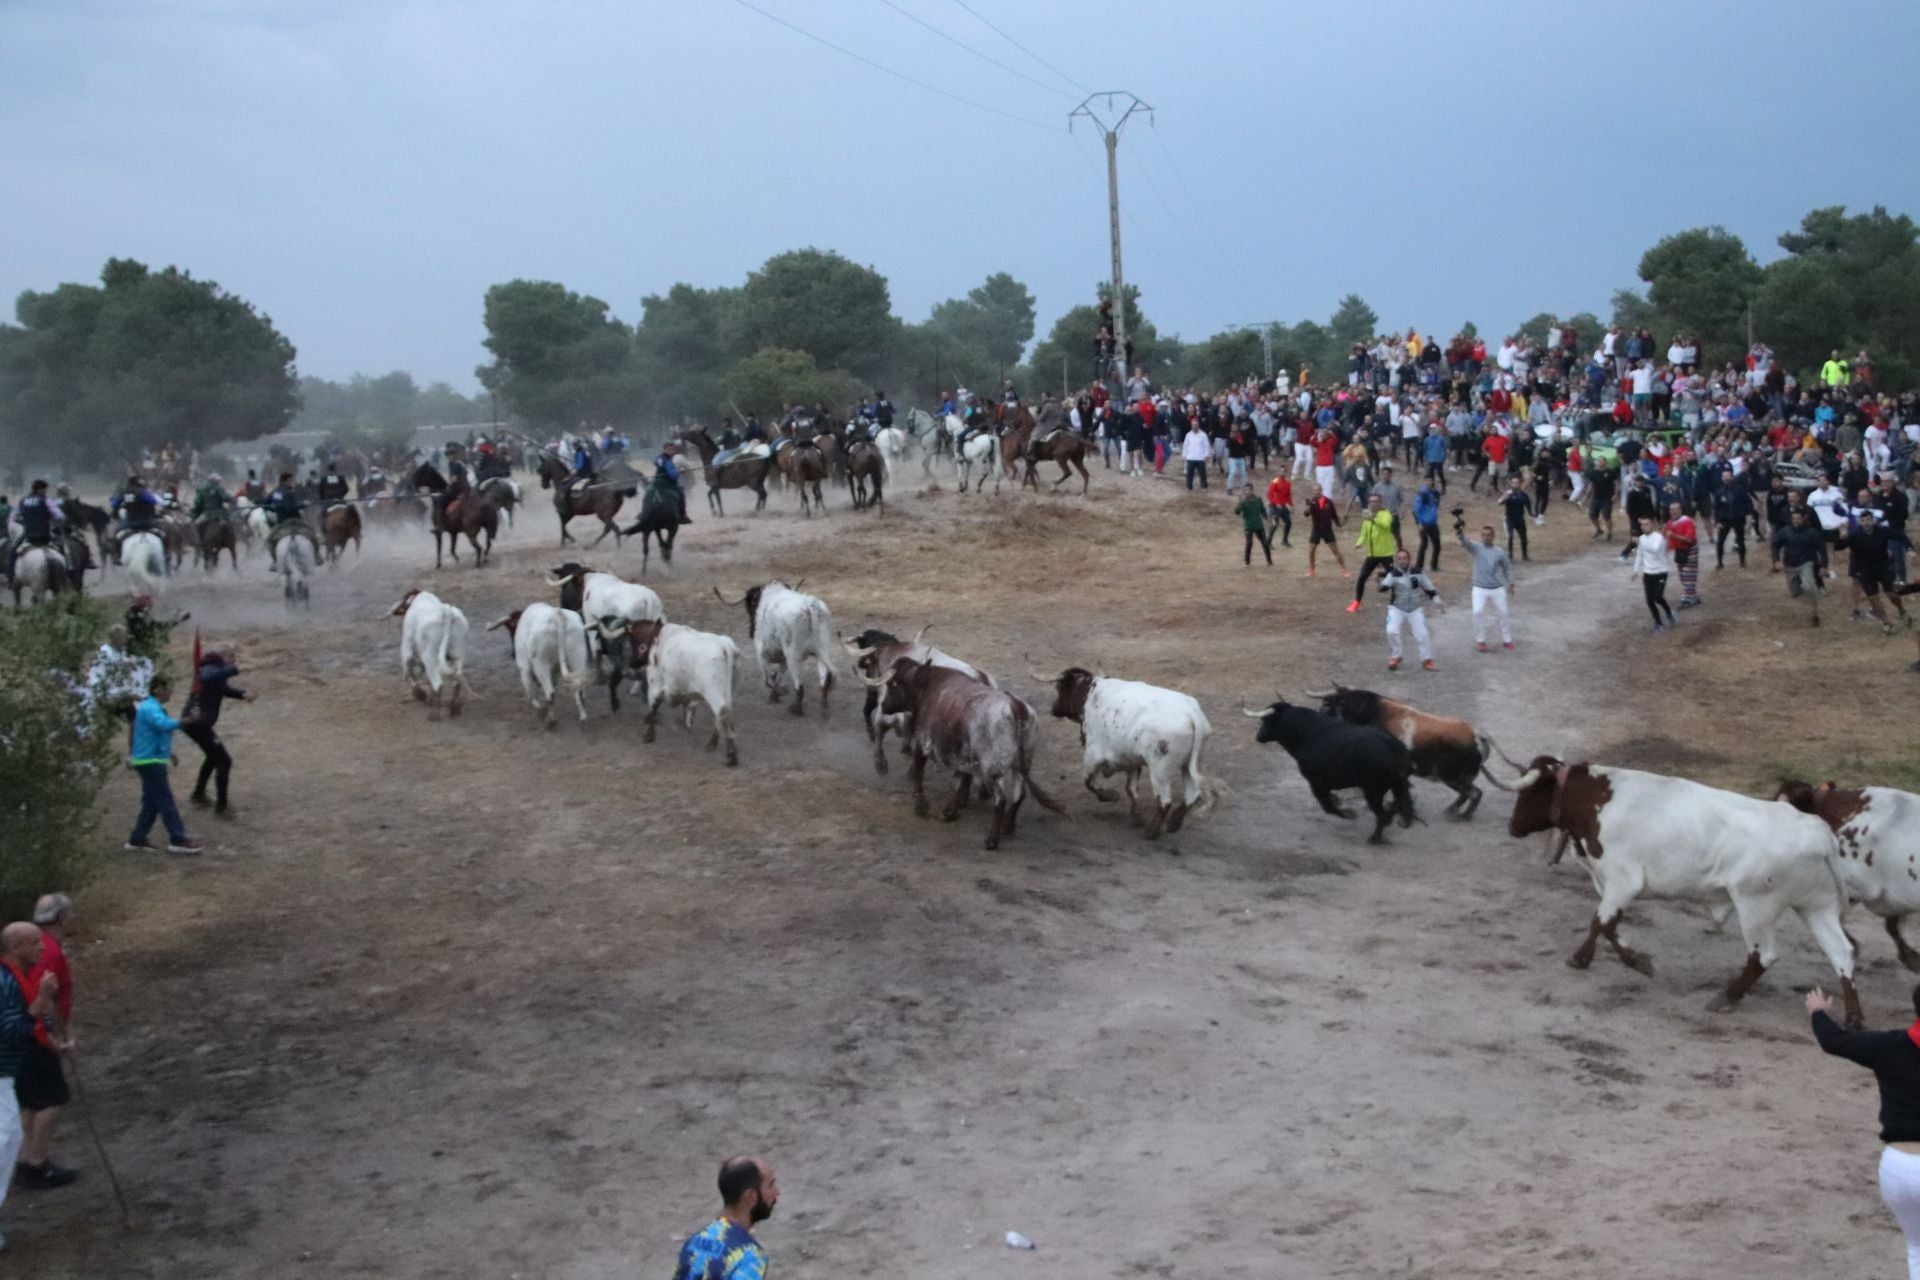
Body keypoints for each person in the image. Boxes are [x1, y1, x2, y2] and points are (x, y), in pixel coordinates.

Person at [1807, 983, 1920, 1277]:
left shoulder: (1889, 1045)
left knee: (1918, 1249)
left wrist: (1818, 1012)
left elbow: (1834, 1041)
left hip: (1896, 1169)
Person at [15, 897, 75, 1191]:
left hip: (23, 1034)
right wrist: (53, 1038)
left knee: (30, 1101)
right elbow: (40, 997)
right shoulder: (47, 951)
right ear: (62, 918)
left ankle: (26, 1158)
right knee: (51, 1100)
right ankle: (37, 1163)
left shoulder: (38, 947)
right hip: (34, 1037)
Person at [0, 923, 51, 1249]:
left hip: (5, 1073)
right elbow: (11, 1029)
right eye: (34, 943)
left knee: (10, 1135)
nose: (42, 948)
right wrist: (43, 1000)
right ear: (16, 947)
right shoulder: (4, 982)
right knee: (6, 1136)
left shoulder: (15, 979)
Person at [123, 675, 202, 855]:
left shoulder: (150, 707)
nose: (170, 692)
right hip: (150, 761)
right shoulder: (151, 708)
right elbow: (162, 725)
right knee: (165, 800)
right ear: (158, 689)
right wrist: (185, 720)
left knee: (151, 802)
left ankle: (138, 838)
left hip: (149, 759)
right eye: (168, 688)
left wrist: (169, 753)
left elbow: (154, 733)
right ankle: (178, 838)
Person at [672, 1156, 777, 1280]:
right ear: (751, 1196)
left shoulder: (693, 1243)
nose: (776, 1192)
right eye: (770, 1185)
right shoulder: (750, 1256)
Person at [184, 647, 253, 817]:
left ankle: (198, 794)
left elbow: (223, 689)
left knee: (213, 757)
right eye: (232, 656)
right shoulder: (209, 667)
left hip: (197, 724)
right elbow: (208, 677)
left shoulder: (215, 670)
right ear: (223, 655)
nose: (233, 660)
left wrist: (243, 694)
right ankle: (221, 808)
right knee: (224, 761)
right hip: (197, 723)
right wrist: (234, 670)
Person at [1456, 515, 1516, 651]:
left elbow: (1507, 568)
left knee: (1504, 613)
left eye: (1489, 535)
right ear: (1481, 536)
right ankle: (1480, 640)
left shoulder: (1499, 552)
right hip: (1479, 587)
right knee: (1477, 612)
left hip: (1497, 587)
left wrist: (1510, 583)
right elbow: (1465, 542)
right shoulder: (1476, 548)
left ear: (1493, 536)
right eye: (1484, 535)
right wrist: (1459, 531)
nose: (1486, 537)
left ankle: (1507, 639)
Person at [1378, 549, 1440, 672]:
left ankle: (1426, 660)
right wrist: (1380, 581)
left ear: (1409, 559)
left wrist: (1436, 598)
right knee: (1391, 631)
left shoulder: (1418, 573)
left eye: (1404, 558)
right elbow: (1384, 588)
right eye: (1399, 559)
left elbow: (1428, 587)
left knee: (1423, 634)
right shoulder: (1393, 575)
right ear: (1396, 561)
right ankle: (1396, 656)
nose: (1402, 561)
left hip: (1415, 609)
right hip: (1397, 608)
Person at [1772, 507, 1829, 627]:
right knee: (1795, 593)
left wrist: (1823, 565)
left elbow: (1822, 549)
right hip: (1790, 566)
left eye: (1798, 518)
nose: (1796, 521)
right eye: (1794, 518)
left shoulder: (1812, 533)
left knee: (1808, 587)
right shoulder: (1785, 531)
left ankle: (1814, 613)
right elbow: (1775, 545)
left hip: (1806, 563)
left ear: (1804, 519)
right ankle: (1803, 585)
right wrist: (1776, 560)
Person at [1629, 515, 1678, 632]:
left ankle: (1668, 612)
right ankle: (1658, 623)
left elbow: (1654, 549)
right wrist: (1636, 570)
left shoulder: (1658, 538)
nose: (1644, 527)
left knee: (1658, 597)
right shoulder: (1642, 538)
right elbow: (1640, 555)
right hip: (1648, 573)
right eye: (1642, 525)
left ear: (1652, 525)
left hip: (1660, 572)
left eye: (1646, 524)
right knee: (1649, 601)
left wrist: (1640, 542)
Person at [1348, 495, 1397, 613]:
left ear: (1380, 503)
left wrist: (1373, 519)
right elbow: (1364, 533)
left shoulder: (1386, 514)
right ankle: (1357, 602)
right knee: (1362, 578)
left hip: (1386, 553)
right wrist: (1359, 542)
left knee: (1394, 578)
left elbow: (1386, 526)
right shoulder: (1367, 515)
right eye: (1371, 502)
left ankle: (1395, 602)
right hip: (1372, 554)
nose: (1373, 504)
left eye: (1375, 501)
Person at [3, 480, 60, 579]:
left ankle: (11, 574)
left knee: (13, 551)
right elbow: (58, 515)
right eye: (44, 489)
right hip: (45, 535)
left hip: (28, 535)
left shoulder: (23, 500)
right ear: (39, 489)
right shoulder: (46, 500)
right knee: (62, 547)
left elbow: (14, 516)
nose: (46, 491)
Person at [1303, 485, 1348, 579]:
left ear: (1321, 490)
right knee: (1311, 551)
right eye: (1315, 490)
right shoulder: (1312, 502)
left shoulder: (1328, 501)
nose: (1316, 492)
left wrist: (1339, 524)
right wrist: (1308, 507)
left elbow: (1334, 515)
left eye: (1318, 490)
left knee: (1335, 550)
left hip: (1327, 529)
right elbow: (1306, 514)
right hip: (1316, 529)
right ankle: (1312, 570)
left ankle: (1344, 569)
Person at [1667, 501, 1703, 607]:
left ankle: (1687, 598)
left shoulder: (1687, 522)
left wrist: (1674, 536)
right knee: (1682, 575)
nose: (1673, 512)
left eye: (1675, 509)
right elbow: (1668, 540)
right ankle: (1693, 596)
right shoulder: (1670, 523)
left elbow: (1689, 539)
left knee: (1688, 574)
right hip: (1679, 551)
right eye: (1671, 510)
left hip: (1690, 549)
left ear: (1681, 510)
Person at [1234, 490, 1272, 566]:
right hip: (1248, 526)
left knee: (1265, 543)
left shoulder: (1258, 500)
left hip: (1258, 525)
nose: (1247, 492)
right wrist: (1239, 503)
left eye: (1249, 490)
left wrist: (1267, 518)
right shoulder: (1243, 502)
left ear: (1252, 491)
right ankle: (1247, 562)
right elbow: (1237, 512)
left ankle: (1269, 561)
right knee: (1249, 543)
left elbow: (1262, 510)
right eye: (1246, 490)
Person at [1500, 475, 1532, 561]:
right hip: (1509, 518)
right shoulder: (1508, 494)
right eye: (1513, 483)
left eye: (1516, 483)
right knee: (1510, 536)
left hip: (1520, 519)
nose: (1515, 484)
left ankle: (1524, 555)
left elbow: (1528, 507)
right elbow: (1499, 502)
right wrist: (1504, 498)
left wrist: (1532, 514)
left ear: (1520, 484)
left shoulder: (1524, 495)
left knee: (1524, 537)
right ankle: (1510, 555)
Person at [1263, 473, 1293, 548]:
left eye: (1284, 471)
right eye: (1281, 471)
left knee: (1288, 522)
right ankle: (1268, 542)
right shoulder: (1275, 482)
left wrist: (1291, 505)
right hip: (1274, 506)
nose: (1283, 473)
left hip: (1283, 506)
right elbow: (1269, 494)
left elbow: (1288, 495)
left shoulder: (1287, 482)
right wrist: (1276, 503)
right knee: (1275, 523)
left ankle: (1284, 540)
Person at [1181, 421, 1211, 491]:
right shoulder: (1188, 435)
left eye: (1196, 425)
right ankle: (1189, 487)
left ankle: (1204, 486)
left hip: (1200, 457)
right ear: (1191, 426)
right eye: (1193, 425)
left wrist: (1206, 455)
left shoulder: (1203, 435)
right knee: (1189, 474)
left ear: (1198, 425)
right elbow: (1185, 446)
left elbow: (1207, 446)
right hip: (1190, 457)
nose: (1194, 427)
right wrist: (1184, 455)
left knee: (1202, 473)